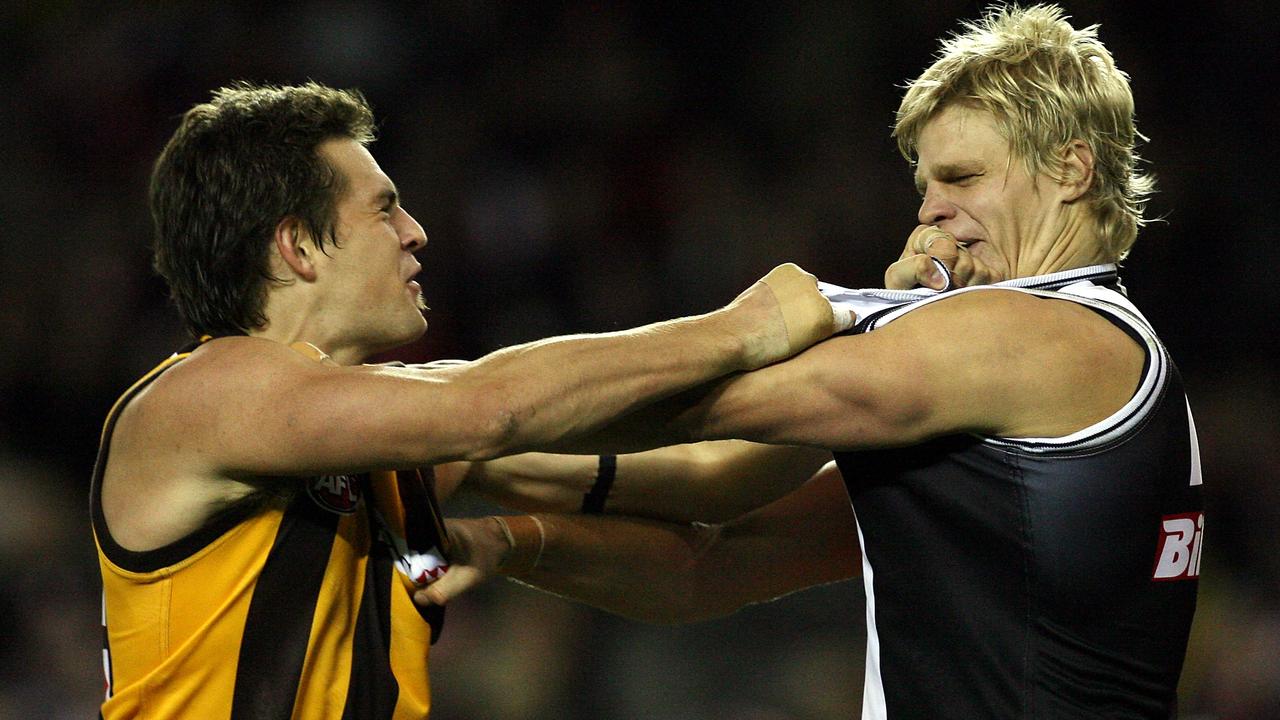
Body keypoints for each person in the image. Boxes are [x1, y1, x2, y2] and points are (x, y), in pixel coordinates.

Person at [423, 6, 1203, 719]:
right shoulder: (1042, 393)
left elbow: (710, 407)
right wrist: (498, 521)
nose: (929, 210)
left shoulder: (1045, 337)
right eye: (924, 185)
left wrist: (446, 417)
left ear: (1071, 170)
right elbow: (712, 560)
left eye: (963, 177)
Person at [89, 81, 858, 719]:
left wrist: (869, 356)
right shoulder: (200, 399)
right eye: (383, 208)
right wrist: (739, 330)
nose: (416, 232)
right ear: (298, 247)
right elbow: (486, 407)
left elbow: (713, 479)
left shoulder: (397, 443)